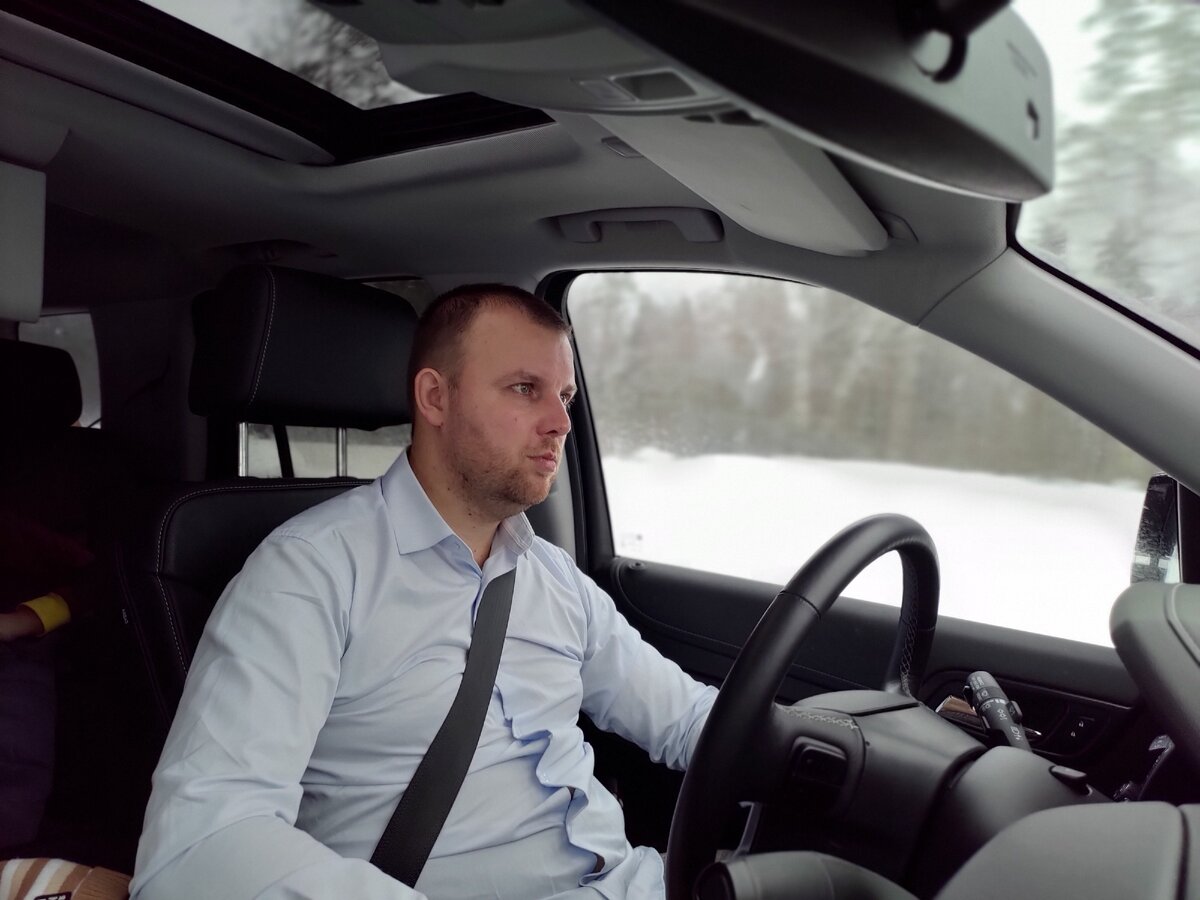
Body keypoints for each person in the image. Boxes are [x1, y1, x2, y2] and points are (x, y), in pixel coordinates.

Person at [131, 284, 718, 900]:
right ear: (436, 397)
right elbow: (200, 848)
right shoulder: (310, 573)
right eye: (525, 388)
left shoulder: (553, 576)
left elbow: (686, 721)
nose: (561, 422)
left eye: (565, 395)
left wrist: (788, 746)